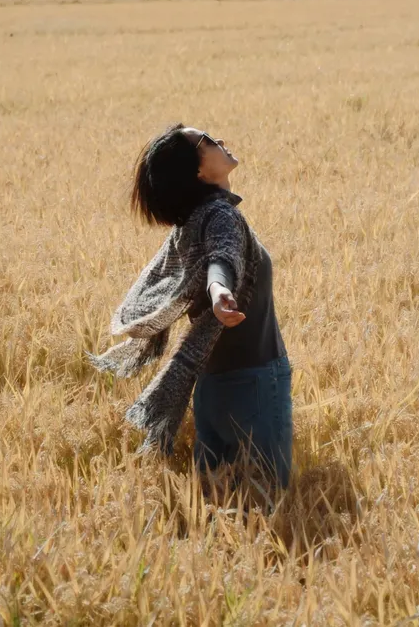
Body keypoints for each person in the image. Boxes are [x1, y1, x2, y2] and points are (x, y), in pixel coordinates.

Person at [88, 123, 292, 490]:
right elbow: (222, 257)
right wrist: (218, 290)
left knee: (215, 496)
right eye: (208, 140)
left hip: (211, 385)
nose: (221, 140)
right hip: (256, 382)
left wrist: (218, 287)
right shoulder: (220, 217)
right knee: (265, 498)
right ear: (198, 171)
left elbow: (217, 256)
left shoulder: (190, 225)